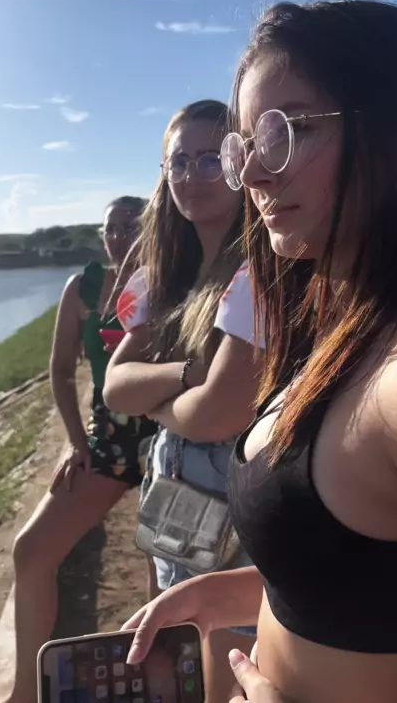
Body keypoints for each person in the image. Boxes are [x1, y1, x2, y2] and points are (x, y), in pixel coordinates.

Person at [121, 0, 397, 703]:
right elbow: (371, 587)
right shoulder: (340, 326)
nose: (253, 176)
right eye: (247, 146)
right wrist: (227, 594)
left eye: (290, 130)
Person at [103, 99, 264, 702]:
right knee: (179, 662)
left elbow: (218, 413)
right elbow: (115, 386)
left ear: (239, 163)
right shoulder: (162, 276)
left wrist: (157, 399)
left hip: (234, 508)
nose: (192, 175)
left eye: (209, 159)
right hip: (174, 497)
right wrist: (188, 374)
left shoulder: (259, 270)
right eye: (179, 162)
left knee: (223, 669)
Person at [7, 196, 156, 703]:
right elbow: (61, 370)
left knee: (164, 568)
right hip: (108, 441)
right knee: (31, 551)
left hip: (167, 439)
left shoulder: (173, 279)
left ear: (153, 227)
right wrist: (75, 441)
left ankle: (161, 680)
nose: (118, 235)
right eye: (110, 227)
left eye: (131, 225)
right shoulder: (83, 288)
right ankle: (26, 692)